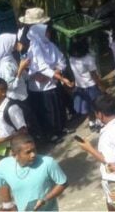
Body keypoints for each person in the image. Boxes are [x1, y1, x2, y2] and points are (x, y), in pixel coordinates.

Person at [0, 135, 68, 212]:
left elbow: (63, 183)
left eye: (34, 150)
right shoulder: (4, 165)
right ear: (14, 155)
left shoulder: (48, 163)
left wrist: (45, 199)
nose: (33, 154)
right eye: (28, 152)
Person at [23, 13, 72, 144]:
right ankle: (51, 134)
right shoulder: (34, 48)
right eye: (46, 33)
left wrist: (57, 71)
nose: (48, 35)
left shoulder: (50, 46)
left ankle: (61, 128)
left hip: (53, 82)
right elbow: (41, 67)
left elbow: (62, 60)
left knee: (58, 106)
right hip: (40, 86)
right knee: (47, 110)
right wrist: (58, 76)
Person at [69, 38, 106, 132]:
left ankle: (91, 122)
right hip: (91, 85)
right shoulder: (88, 59)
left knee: (88, 106)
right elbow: (94, 75)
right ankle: (99, 122)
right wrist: (101, 85)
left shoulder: (71, 59)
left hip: (80, 86)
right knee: (96, 105)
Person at [0, 78, 27, 148]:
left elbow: (23, 131)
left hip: (15, 146)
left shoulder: (12, 108)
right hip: (3, 147)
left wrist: (1, 140)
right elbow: (1, 124)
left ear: (3, 92)